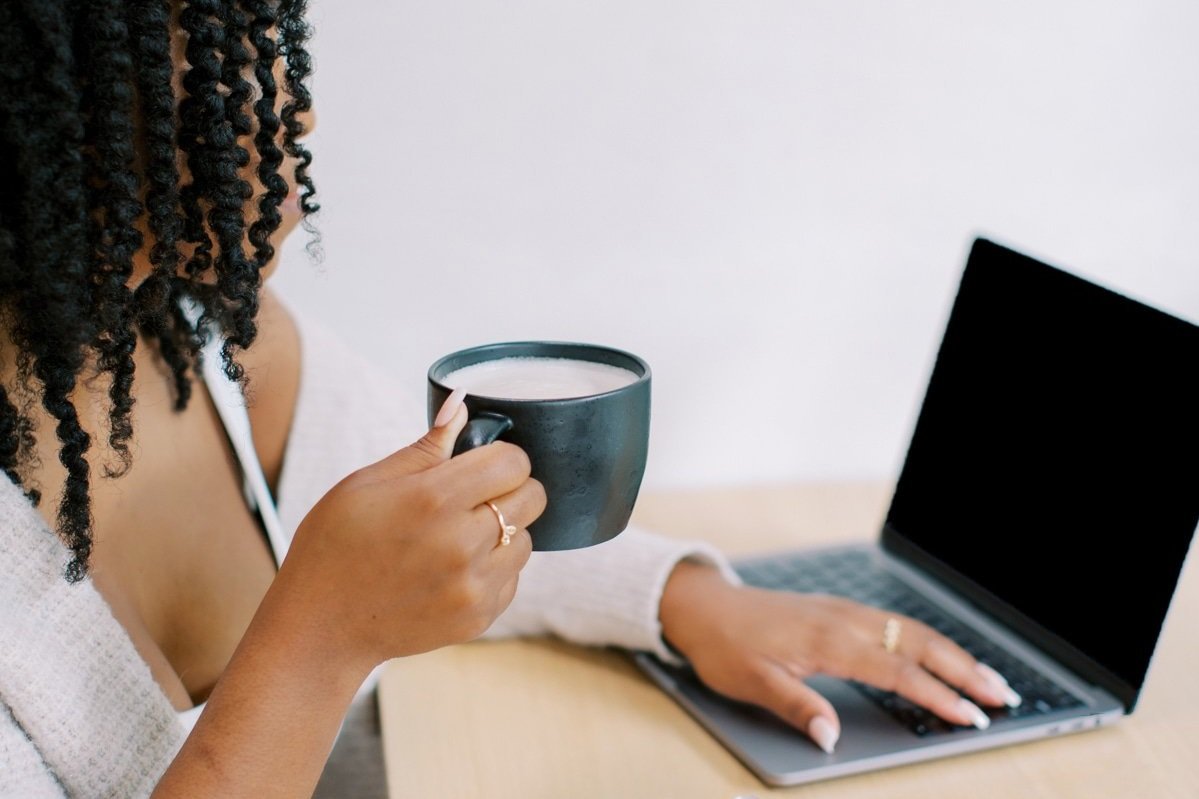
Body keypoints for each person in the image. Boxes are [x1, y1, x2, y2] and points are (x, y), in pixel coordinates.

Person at [0, 3, 1020, 796]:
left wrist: (690, 602)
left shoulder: (210, 346)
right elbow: (349, 604)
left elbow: (452, 529)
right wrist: (314, 645)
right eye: (197, 54)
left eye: (259, 34)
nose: (287, 105)